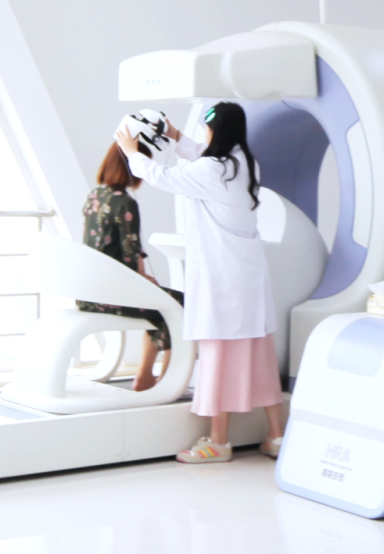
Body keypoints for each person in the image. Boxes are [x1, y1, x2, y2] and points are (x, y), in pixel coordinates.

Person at [115, 102, 284, 464]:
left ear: (214, 131)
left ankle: (218, 442)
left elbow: (166, 177)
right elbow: (206, 158)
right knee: (261, 358)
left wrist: (132, 153)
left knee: (217, 358)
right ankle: (277, 437)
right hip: (249, 279)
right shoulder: (245, 163)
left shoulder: (212, 169)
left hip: (222, 280)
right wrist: (177, 137)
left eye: (207, 129)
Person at [76, 141, 185, 392]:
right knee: (180, 303)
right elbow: (130, 252)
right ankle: (164, 381)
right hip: (114, 295)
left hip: (89, 293)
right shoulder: (125, 203)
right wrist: (145, 280)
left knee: (164, 306)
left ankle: (145, 377)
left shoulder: (94, 195)